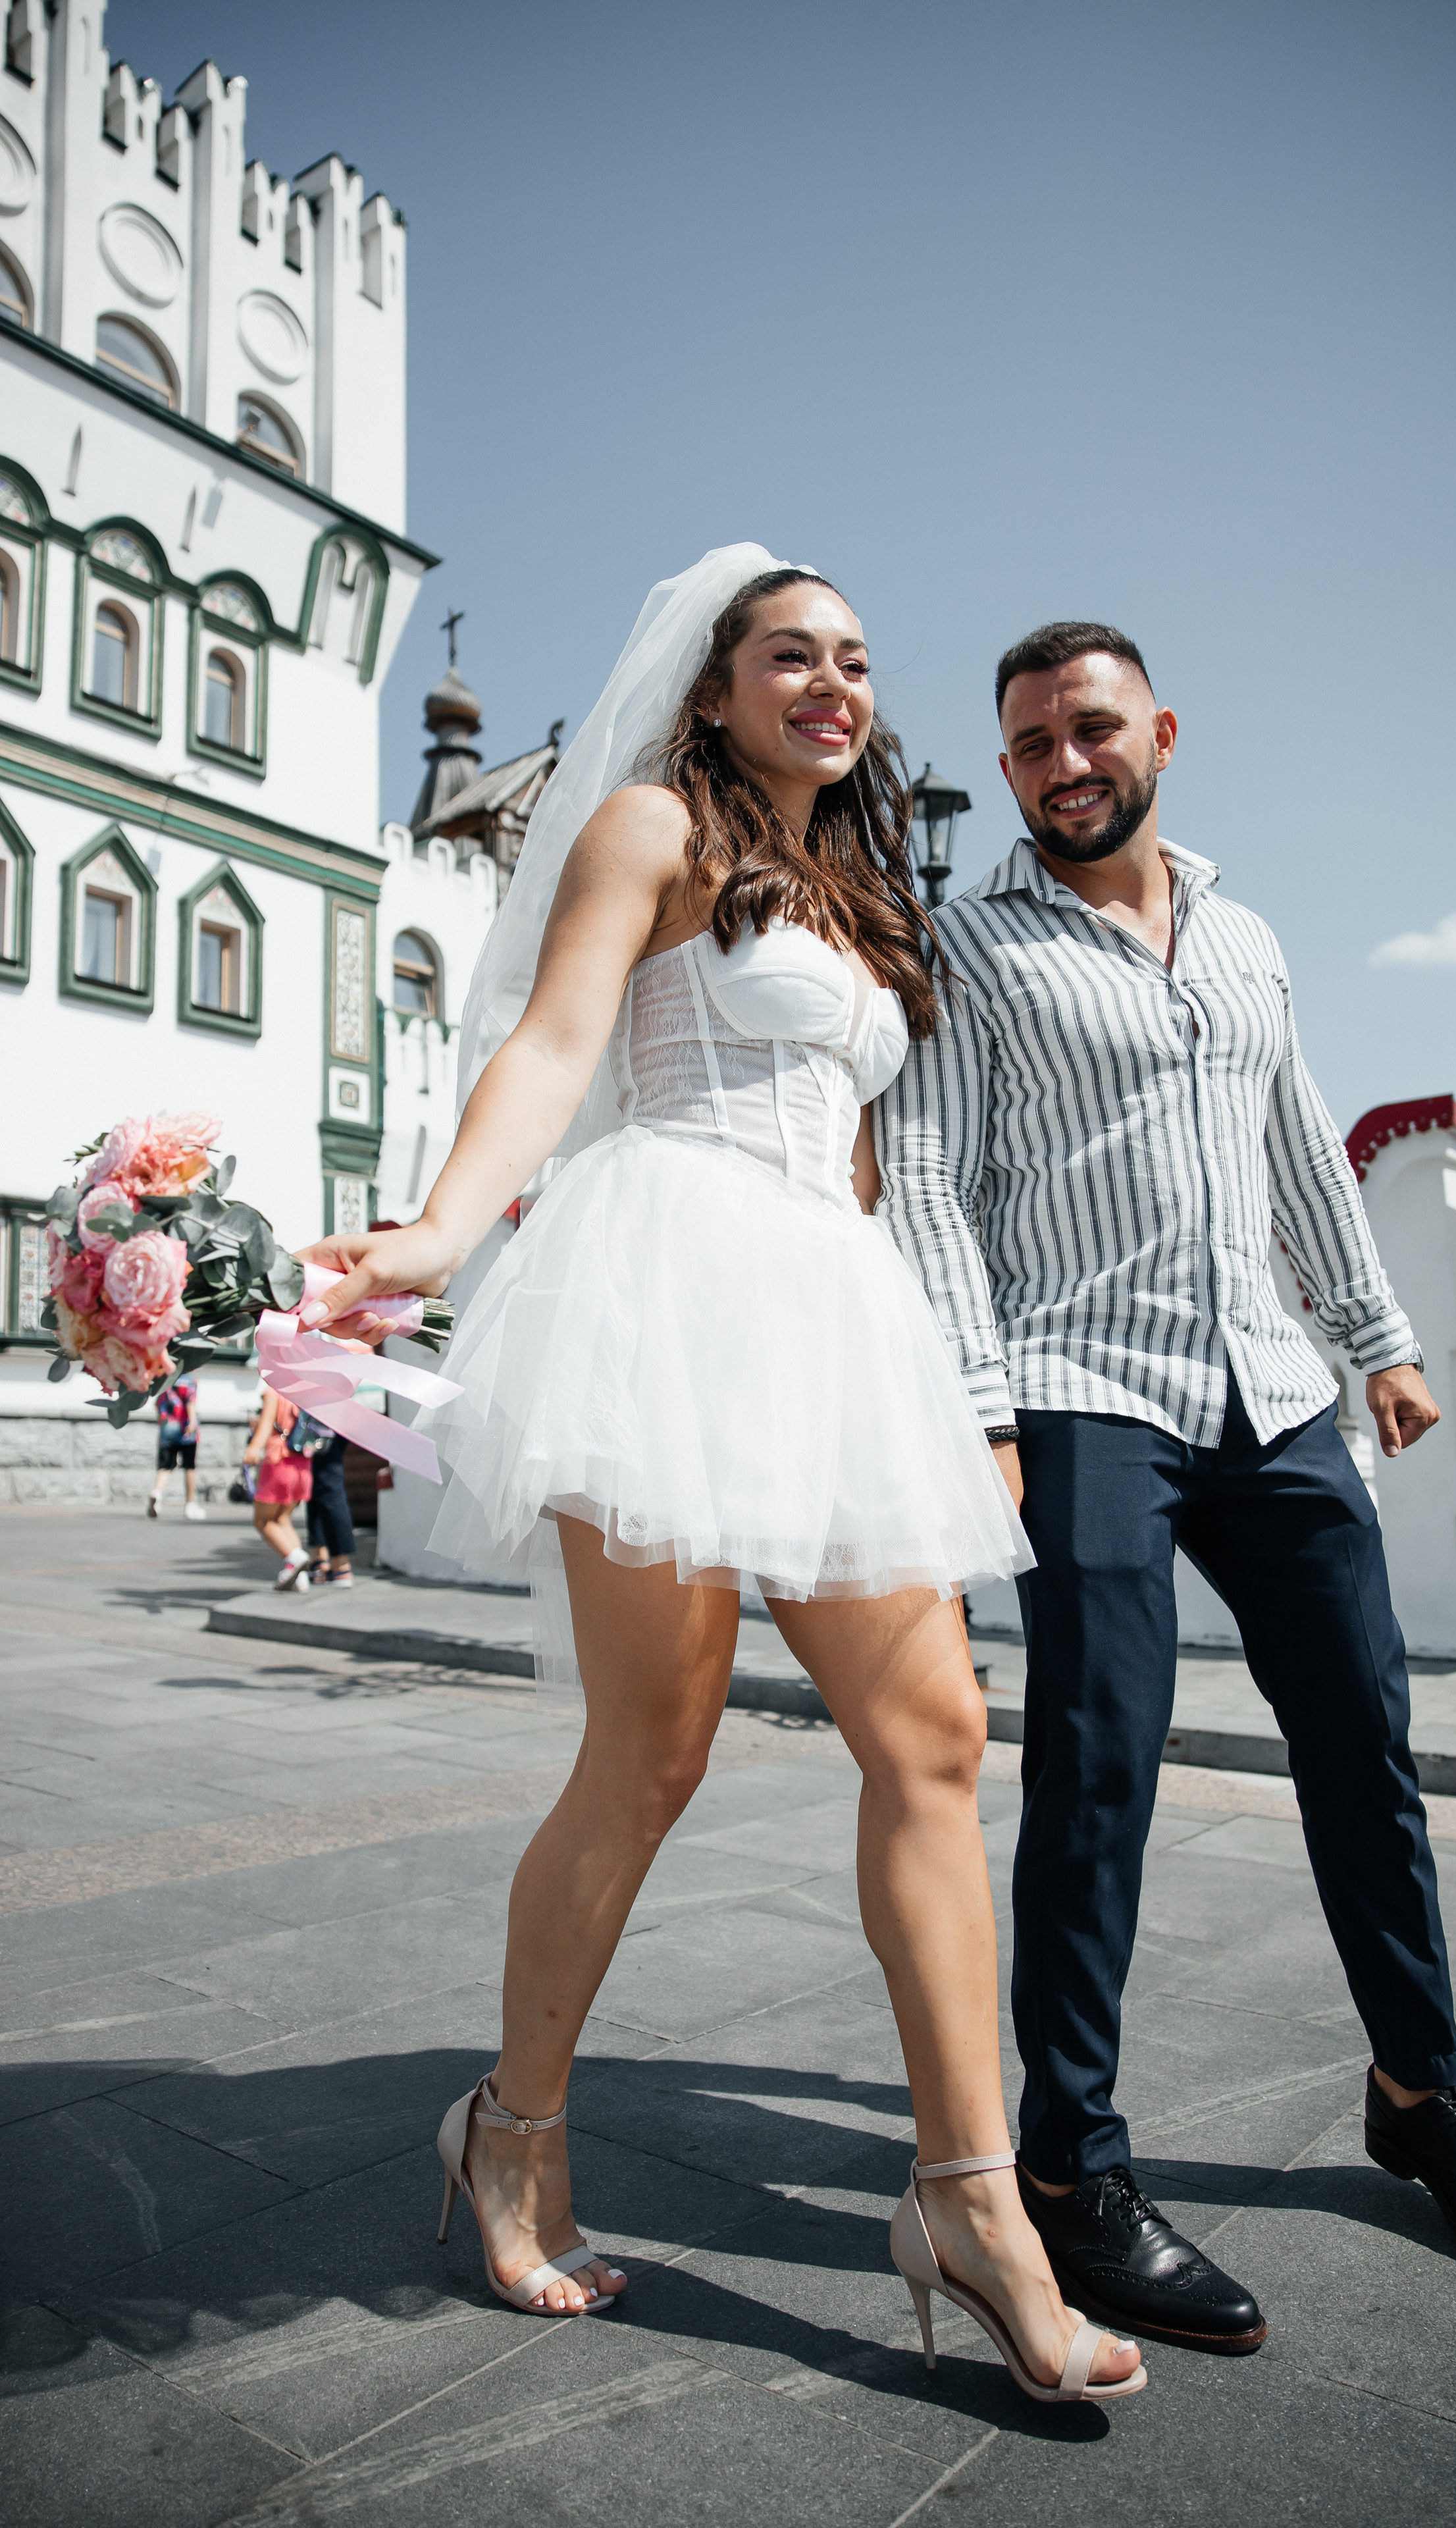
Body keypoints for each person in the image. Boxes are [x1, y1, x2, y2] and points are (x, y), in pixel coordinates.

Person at [294, 550, 1143, 2405]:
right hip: (668, 1278)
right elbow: (555, 1041)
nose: (833, 686)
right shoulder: (647, 825)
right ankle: (512, 2127)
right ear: (717, 678)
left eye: (853, 661)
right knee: (653, 1754)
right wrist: (442, 1230)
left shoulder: (851, 881)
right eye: (793, 656)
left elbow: (867, 1150)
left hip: (829, 1311)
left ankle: (970, 2203)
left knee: (932, 1740)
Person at [875, 619, 1456, 2357]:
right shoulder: (966, 947)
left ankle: (1421, 2096)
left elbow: (1296, 1139)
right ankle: (1070, 2169)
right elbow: (928, 1178)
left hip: (1274, 1399)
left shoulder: (1247, 936)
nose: (1063, 765)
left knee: (1367, 1739)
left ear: (1161, 734)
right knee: (1101, 1766)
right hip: (1081, 1390)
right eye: (1032, 741)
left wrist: (1378, 1337)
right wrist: (979, 1403)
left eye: (1091, 730)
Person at [245, 1384, 313, 1590]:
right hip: (303, 1465)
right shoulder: (307, 1391)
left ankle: (295, 1558)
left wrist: (253, 1449)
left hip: (279, 1461)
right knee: (282, 1519)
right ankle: (300, 1579)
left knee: (262, 1520)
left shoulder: (275, 1391)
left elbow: (267, 1425)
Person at [148, 1373, 204, 1521]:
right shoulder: (189, 1381)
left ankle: (157, 1493)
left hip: (167, 1428)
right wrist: (192, 1422)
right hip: (185, 1429)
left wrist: (163, 1424)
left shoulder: (166, 1379)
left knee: (165, 1466)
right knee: (189, 1467)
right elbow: (190, 1402)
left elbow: (158, 1404)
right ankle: (190, 1505)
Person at [305, 1430, 356, 1589]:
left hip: (324, 1417)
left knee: (328, 1483)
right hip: (325, 1417)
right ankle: (320, 1559)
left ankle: (341, 1566)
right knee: (315, 1483)